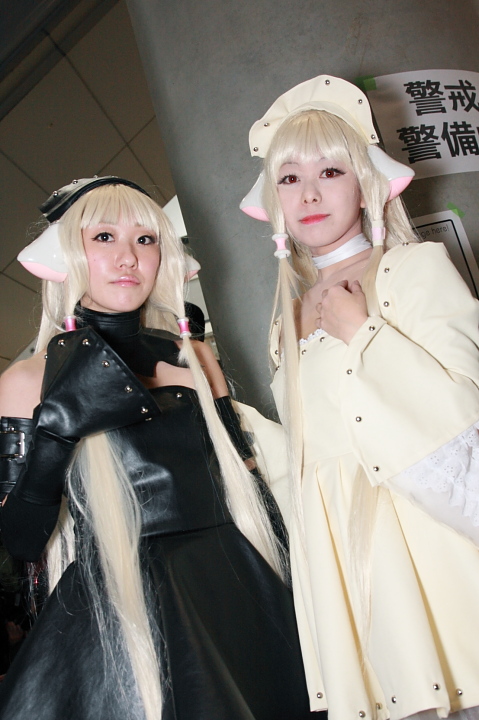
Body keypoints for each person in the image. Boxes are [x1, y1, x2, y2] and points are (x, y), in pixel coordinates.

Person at [0, 176, 317, 720]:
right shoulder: (25, 381)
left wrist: (304, 588)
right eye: (104, 237)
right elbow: (22, 540)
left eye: (145, 239)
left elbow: (246, 480)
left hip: (236, 589)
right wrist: (57, 433)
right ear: (68, 252)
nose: (128, 257)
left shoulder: (194, 356)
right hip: (123, 610)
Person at [241, 75, 479, 720]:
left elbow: (467, 415)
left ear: (367, 181)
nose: (309, 193)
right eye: (289, 178)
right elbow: (309, 458)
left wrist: (364, 335)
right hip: (346, 562)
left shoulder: (414, 268)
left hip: (430, 546)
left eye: (330, 170)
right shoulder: (285, 317)